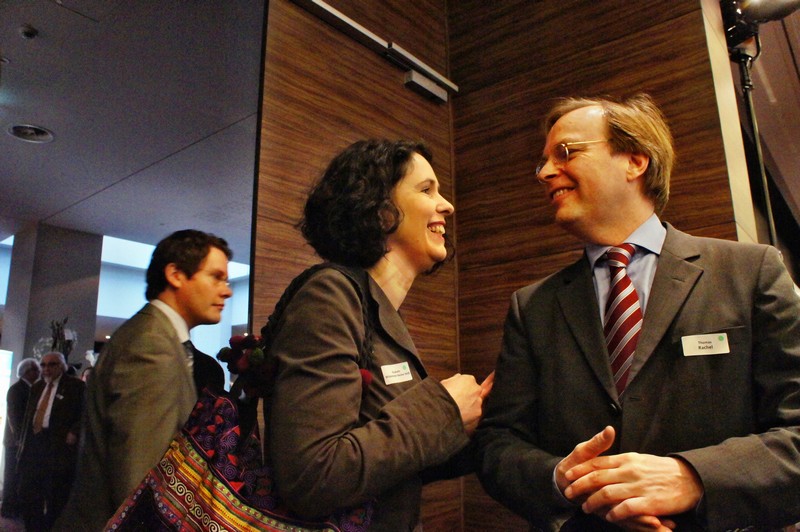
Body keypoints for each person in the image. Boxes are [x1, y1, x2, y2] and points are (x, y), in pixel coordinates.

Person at [475, 94, 800, 531]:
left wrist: (694, 477)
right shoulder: (532, 307)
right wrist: (564, 479)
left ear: (634, 161)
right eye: (544, 162)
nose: (546, 172)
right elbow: (498, 443)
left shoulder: (750, 272)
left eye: (566, 152)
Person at [266, 139, 493, 530]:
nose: (447, 206)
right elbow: (311, 476)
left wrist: (491, 420)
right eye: (427, 190)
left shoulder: (380, 312)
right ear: (378, 208)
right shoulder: (330, 295)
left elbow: (395, 462)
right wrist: (444, 409)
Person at [56, 229, 233, 531]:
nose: (226, 291)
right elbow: (141, 483)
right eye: (216, 277)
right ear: (176, 275)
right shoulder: (151, 344)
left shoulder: (159, 337)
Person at [16, 352, 85, 531]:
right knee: (28, 492)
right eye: (43, 365)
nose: (46, 369)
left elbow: (86, 413)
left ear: (62, 366)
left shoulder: (75, 386)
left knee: (55, 495)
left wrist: (74, 431)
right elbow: (29, 415)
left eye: (52, 364)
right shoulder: (37, 386)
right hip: (34, 443)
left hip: (58, 445)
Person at [1, 358, 40, 518]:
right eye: (35, 369)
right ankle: (8, 507)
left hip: (20, 441)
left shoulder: (28, 389)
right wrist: (19, 439)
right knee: (12, 474)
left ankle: (14, 506)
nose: (38, 372)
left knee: (18, 475)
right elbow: (14, 417)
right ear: (27, 372)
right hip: (15, 442)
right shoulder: (17, 389)